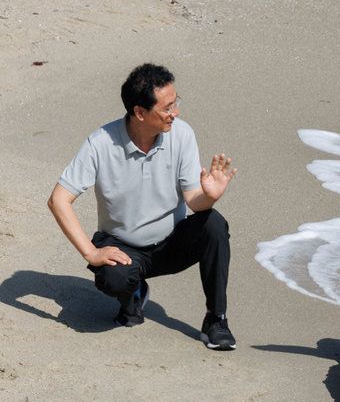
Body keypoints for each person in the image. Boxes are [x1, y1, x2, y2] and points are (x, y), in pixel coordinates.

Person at [47, 63, 238, 350]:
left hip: (171, 244)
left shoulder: (182, 134)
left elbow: (194, 202)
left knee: (213, 223)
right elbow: (58, 199)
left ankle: (216, 319)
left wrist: (210, 195)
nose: (175, 113)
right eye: (167, 108)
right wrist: (91, 251)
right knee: (114, 277)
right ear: (139, 112)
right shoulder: (100, 143)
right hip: (123, 248)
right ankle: (132, 294)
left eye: (176, 103)